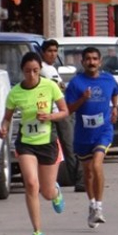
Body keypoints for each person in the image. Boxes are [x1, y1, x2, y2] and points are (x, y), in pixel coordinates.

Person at [0, 52, 69, 235]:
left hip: (47, 143)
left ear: (40, 70)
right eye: (28, 71)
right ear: (22, 71)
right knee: (31, 183)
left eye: (36, 71)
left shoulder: (50, 86)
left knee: (46, 192)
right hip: (26, 143)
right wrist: (3, 127)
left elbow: (65, 111)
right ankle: (37, 231)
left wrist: (50, 117)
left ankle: (55, 192)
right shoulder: (15, 93)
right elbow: (7, 117)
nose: (32, 75)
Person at [64, 47, 118, 229]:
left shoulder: (108, 79)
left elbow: (115, 92)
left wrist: (115, 108)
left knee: (97, 165)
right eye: (88, 59)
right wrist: (83, 99)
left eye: (95, 59)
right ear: (82, 62)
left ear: (100, 61)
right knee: (88, 173)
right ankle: (91, 204)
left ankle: (99, 207)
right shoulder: (76, 83)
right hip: (83, 135)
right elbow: (69, 110)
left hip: (103, 131)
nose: (92, 62)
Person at [39, 39, 81, 193]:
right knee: (68, 146)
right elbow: (57, 88)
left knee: (67, 146)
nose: (53, 54)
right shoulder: (43, 69)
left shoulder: (51, 68)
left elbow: (60, 87)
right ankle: (77, 177)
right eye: (50, 51)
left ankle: (74, 177)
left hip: (59, 112)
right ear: (43, 52)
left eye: (55, 51)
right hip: (55, 113)